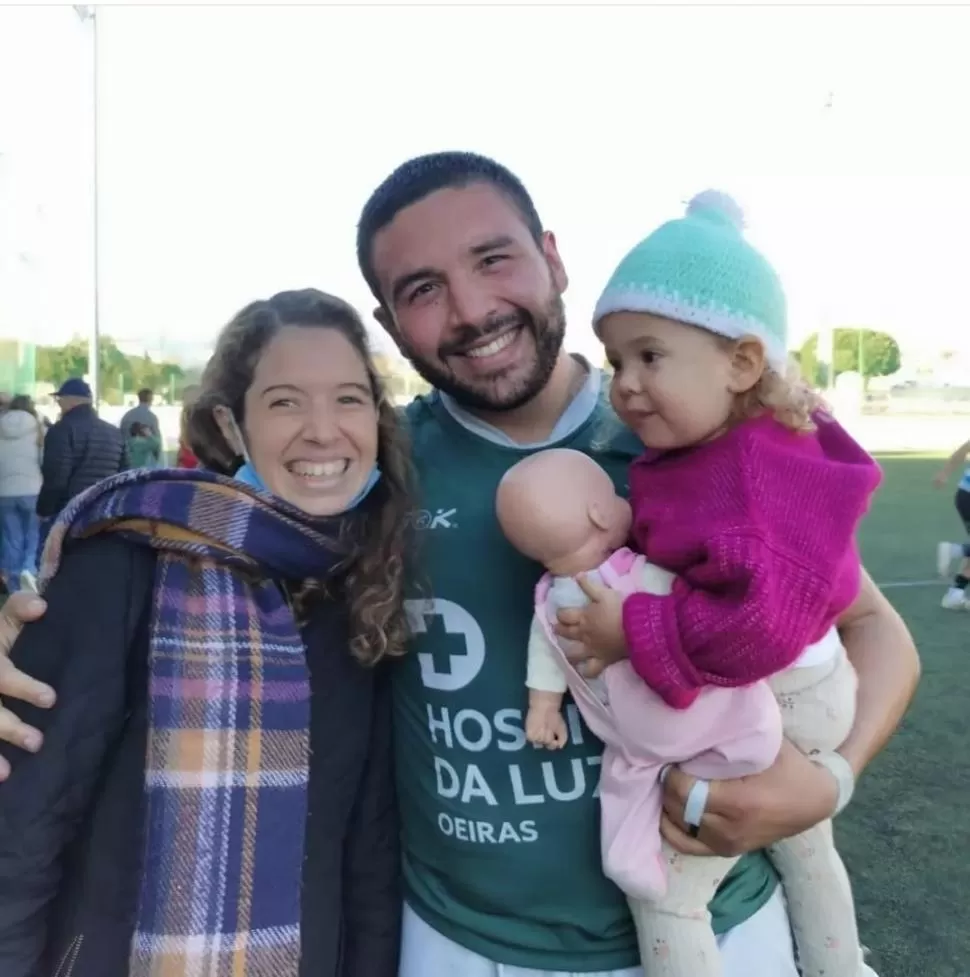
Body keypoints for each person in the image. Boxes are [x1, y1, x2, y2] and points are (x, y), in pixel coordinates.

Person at [0, 152, 921, 977]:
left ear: (553, 257)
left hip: (713, 926)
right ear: (389, 320)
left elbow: (873, 627)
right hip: (450, 938)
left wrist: (829, 777)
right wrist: (31, 616)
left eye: (493, 260)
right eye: (424, 287)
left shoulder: (687, 433)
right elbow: (206, 557)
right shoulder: (374, 468)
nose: (474, 309)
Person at [0, 289, 408, 977]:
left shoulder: (360, 588)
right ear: (231, 421)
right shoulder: (126, 561)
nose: (322, 429)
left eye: (348, 398)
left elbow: (365, 854)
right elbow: (24, 829)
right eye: (284, 401)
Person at [550, 192, 882, 976]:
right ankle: (843, 965)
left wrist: (626, 628)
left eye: (649, 355)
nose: (624, 384)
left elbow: (756, 626)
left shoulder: (747, 481)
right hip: (808, 685)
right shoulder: (743, 447)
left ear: (740, 361)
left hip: (785, 693)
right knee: (806, 846)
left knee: (665, 890)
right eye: (614, 360)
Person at [36, 379, 127, 553]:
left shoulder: (61, 430)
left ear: (70, 400)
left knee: (51, 563)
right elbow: (124, 474)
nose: (59, 404)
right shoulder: (114, 432)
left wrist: (44, 510)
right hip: (103, 514)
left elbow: (55, 477)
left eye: (60, 400)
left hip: (68, 513)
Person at [0, 396, 44, 593]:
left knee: (11, 537)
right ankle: (29, 571)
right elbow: (45, 459)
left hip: (5, 491)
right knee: (33, 535)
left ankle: (13, 584)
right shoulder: (38, 428)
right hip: (33, 488)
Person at [932, 438, 970, 609]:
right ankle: (956, 550)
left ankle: (955, 594)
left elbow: (962, 451)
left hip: (964, 494)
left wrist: (945, 473)